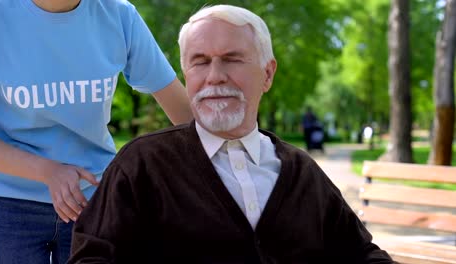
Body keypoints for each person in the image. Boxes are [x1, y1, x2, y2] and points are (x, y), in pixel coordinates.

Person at [68, 4, 393, 263]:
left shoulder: (301, 173)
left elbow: (361, 253)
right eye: (200, 62)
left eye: (232, 59)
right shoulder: (141, 166)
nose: (214, 76)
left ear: (268, 74)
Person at [0, 0, 193, 263]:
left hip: (95, 201)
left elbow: (185, 117)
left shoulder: (119, 15)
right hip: (8, 203)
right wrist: (47, 171)